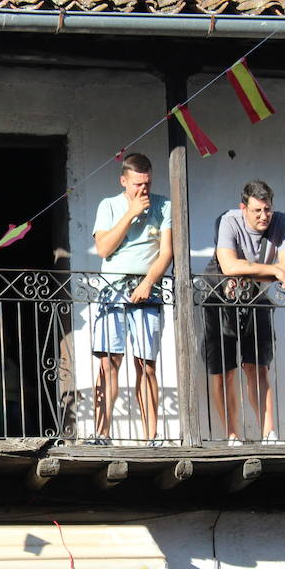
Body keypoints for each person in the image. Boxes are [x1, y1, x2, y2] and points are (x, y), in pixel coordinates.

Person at [202, 180, 285, 444]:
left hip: (256, 297)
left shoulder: (282, 222)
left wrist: (275, 271)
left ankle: (269, 433)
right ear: (243, 208)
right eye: (256, 211)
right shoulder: (229, 221)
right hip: (219, 297)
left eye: (267, 209)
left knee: (258, 367)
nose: (263, 216)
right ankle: (232, 435)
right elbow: (229, 266)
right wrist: (273, 270)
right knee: (225, 370)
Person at [89, 153, 173, 444]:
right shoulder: (109, 206)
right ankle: (102, 434)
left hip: (147, 291)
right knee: (108, 364)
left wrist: (149, 282)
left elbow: (167, 253)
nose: (144, 190)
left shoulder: (164, 205)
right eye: (137, 184)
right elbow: (103, 249)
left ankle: (151, 436)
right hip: (112, 291)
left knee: (146, 364)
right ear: (124, 181)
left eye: (147, 184)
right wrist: (130, 214)